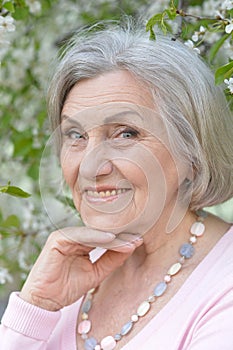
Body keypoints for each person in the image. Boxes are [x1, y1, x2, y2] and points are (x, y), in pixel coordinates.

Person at [1, 19, 233, 350]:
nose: (91, 167)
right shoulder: (65, 280)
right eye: (76, 135)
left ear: (192, 152)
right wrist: (37, 305)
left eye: (126, 133)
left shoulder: (224, 287)